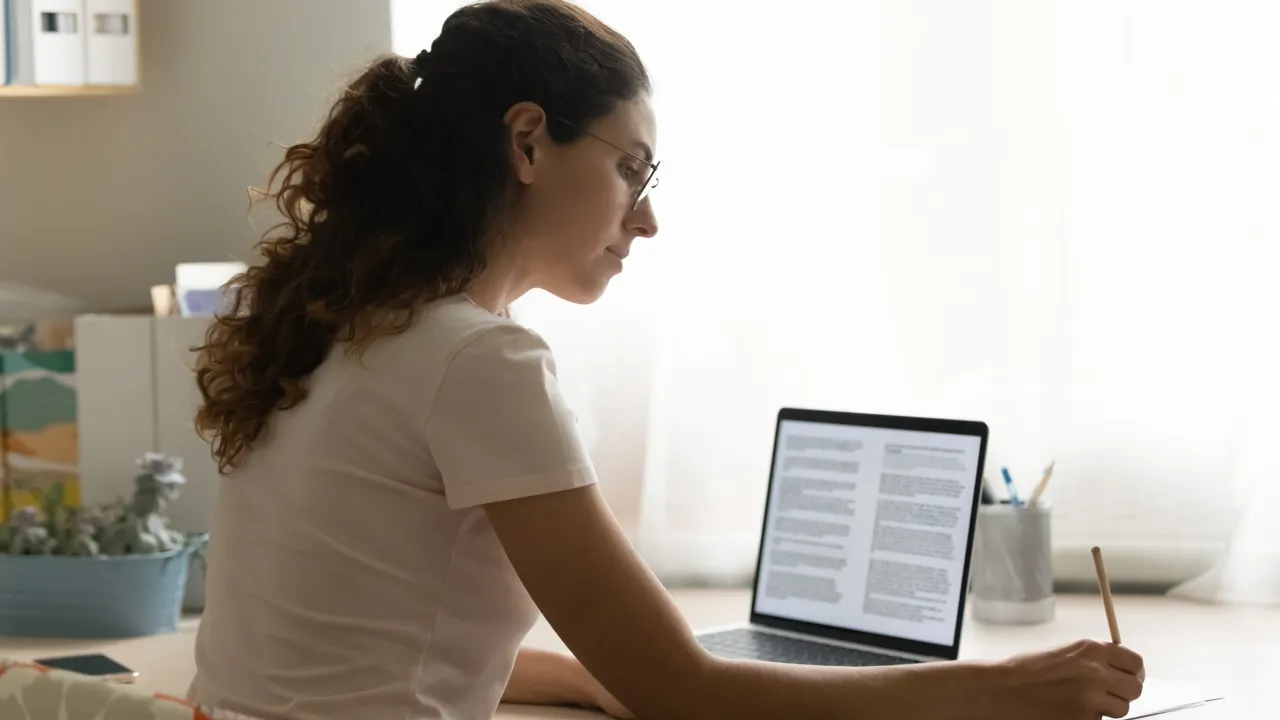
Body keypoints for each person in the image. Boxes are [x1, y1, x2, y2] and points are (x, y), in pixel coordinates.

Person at [188, 1, 1145, 718]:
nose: (647, 218)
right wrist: (1003, 689)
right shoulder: (479, 363)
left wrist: (613, 680)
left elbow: (373, 646)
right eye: (630, 169)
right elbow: (687, 691)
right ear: (527, 142)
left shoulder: (346, 331)